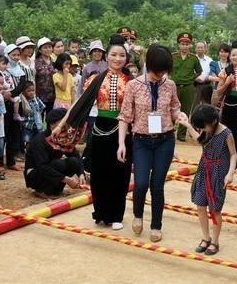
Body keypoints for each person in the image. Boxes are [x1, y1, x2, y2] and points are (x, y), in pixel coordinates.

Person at [53, 34, 132, 229]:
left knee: (119, 174)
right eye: (114, 54)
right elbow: (79, 103)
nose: (118, 59)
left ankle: (116, 215)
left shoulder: (131, 81)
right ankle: (101, 212)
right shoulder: (95, 79)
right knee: (99, 173)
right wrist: (62, 124)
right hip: (100, 129)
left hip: (123, 131)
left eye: (122, 55)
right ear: (107, 57)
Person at [117, 45, 180, 242]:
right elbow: (125, 116)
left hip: (165, 140)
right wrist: (121, 144)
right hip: (142, 141)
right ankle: (137, 215)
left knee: (157, 185)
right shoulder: (133, 85)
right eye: (158, 70)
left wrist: (181, 116)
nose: (161, 74)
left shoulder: (169, 85)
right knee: (141, 182)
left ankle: (156, 225)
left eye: (164, 71)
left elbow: (175, 108)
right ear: (149, 65)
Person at [177, 104, 236, 255]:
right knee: (200, 204)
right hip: (204, 169)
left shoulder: (226, 133)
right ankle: (206, 237)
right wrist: (187, 125)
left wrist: (230, 173)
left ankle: (215, 241)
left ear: (214, 121)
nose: (203, 129)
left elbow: (234, 154)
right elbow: (200, 140)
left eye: (204, 126)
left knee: (215, 209)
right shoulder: (207, 130)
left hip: (218, 173)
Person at [24, 108, 84, 199]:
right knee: (59, 164)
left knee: (74, 162)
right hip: (35, 175)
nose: (67, 126)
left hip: (51, 168)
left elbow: (75, 155)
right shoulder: (40, 141)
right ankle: (41, 190)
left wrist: (81, 173)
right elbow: (42, 166)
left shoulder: (63, 138)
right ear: (52, 125)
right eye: (63, 123)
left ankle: (56, 189)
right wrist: (66, 179)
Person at [170, 32, 202, 142]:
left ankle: (181, 134)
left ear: (190, 45)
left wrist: (190, 78)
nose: (184, 46)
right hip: (174, 87)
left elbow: (199, 71)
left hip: (188, 87)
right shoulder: (173, 56)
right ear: (178, 44)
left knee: (185, 110)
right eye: (182, 44)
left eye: (187, 44)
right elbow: (167, 69)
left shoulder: (193, 58)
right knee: (171, 109)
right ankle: (169, 131)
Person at [3, 44, 26, 170]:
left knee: (14, 132)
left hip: (17, 104)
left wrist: (11, 93)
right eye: (13, 55)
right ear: (7, 55)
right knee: (3, 131)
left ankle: (11, 161)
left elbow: (21, 86)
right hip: (4, 105)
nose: (16, 57)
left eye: (18, 55)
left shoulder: (20, 70)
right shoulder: (3, 69)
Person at [81, 40, 108, 144]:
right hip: (91, 101)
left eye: (100, 51)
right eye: (95, 51)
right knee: (91, 126)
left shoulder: (107, 65)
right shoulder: (87, 67)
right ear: (91, 53)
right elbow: (83, 86)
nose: (97, 53)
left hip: (105, 100)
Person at [35, 37, 56, 117]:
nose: (48, 49)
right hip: (39, 97)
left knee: (51, 120)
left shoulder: (53, 61)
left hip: (52, 97)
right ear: (40, 50)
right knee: (39, 120)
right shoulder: (36, 63)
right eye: (45, 47)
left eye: (49, 47)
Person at [21, 81, 45, 147]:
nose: (31, 92)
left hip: (37, 125)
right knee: (27, 141)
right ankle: (28, 153)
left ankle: (35, 153)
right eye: (29, 91)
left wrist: (38, 114)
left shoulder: (36, 99)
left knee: (37, 141)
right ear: (23, 92)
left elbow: (42, 107)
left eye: (33, 90)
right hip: (27, 125)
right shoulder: (23, 101)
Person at [193, 41, 213, 107]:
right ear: (195, 49)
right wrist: (195, 78)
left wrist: (208, 78)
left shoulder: (210, 60)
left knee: (206, 106)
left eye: (201, 47)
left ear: (205, 49)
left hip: (207, 85)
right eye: (198, 47)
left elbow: (212, 72)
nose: (200, 49)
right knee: (194, 106)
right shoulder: (191, 59)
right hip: (195, 85)